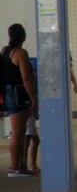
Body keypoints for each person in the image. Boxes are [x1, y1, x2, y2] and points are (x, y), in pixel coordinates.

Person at [1, 24, 37, 177]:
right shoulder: (21, 53)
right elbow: (26, 78)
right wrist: (33, 97)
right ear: (23, 37)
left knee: (20, 131)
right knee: (17, 132)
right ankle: (14, 167)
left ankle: (20, 166)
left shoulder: (4, 51)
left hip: (7, 92)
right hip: (18, 94)